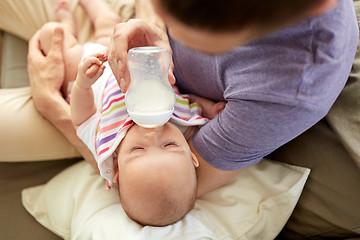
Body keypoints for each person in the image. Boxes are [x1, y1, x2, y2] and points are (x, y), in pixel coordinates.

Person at [24, 0, 360, 238]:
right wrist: (150, 23)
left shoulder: (288, 92)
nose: (153, 135)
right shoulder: (185, 120)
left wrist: (50, 104)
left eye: (199, 36)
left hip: (86, 90)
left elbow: (168, 182)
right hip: (122, 46)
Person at [38, 0, 226, 226]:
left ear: (116, 171)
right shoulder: (185, 126)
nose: (153, 136)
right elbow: (189, 103)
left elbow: (82, 119)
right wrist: (210, 108)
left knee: (55, 37)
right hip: (123, 63)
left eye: (138, 149)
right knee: (108, 25)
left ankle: (66, 22)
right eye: (170, 145)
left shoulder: (108, 148)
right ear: (192, 155)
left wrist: (83, 85)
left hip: (91, 72)